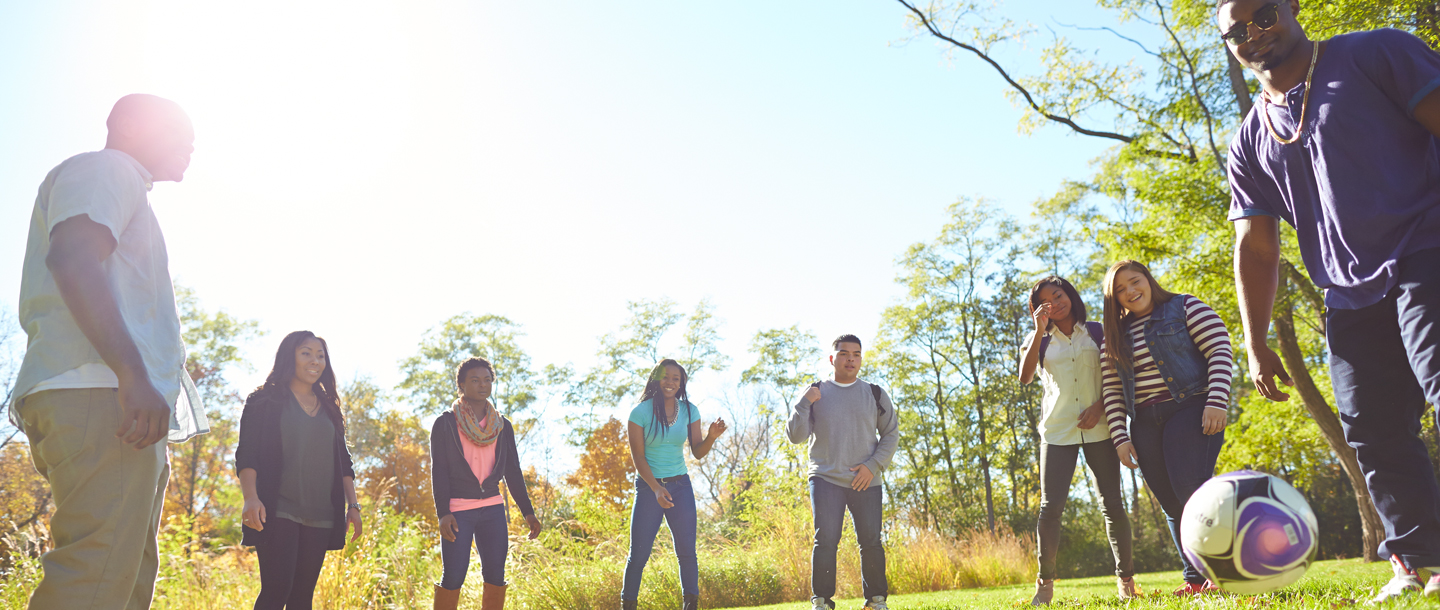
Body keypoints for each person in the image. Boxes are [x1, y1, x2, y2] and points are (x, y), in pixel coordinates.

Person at [1217, 0, 1440, 602]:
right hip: (1346, 292)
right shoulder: (1248, 141)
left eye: (1263, 16)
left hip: (1428, 247)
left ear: (1291, 7)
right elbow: (1257, 249)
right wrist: (1257, 342)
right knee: (1371, 427)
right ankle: (1418, 563)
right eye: (1236, 32)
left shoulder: (1374, 53)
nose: (1253, 34)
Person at [11, 93, 209, 610]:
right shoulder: (106, 170)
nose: (191, 142)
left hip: (109, 394)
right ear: (129, 125)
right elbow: (74, 258)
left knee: (125, 575)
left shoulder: (123, 187)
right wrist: (133, 374)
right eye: (178, 129)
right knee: (95, 576)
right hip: (101, 390)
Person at [1098, 261, 1233, 595]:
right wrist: (1120, 438)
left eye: (1135, 281)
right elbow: (1112, 391)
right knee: (1172, 503)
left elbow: (1219, 348)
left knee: (1190, 487)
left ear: (1148, 279)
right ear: (1114, 298)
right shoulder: (1115, 336)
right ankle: (1196, 580)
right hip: (1144, 421)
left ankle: (1225, 571)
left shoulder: (1184, 306)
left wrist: (1217, 400)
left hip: (1191, 408)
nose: (1130, 292)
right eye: (1120, 290)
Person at [1017, 277, 1136, 604]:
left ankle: (1126, 580)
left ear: (1070, 295)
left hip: (1100, 429)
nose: (1057, 301)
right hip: (1057, 432)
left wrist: (1100, 407)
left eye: (1060, 293)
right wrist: (1039, 330)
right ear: (1040, 308)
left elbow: (1120, 376)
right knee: (1050, 508)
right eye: (1048, 300)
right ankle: (1045, 583)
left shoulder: (1098, 332)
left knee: (1112, 503)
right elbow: (1025, 377)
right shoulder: (1037, 340)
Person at [236, 331, 363, 610]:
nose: (315, 360)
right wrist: (251, 498)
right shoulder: (263, 401)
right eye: (306, 352)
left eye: (320, 355)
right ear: (288, 356)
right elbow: (248, 453)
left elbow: (343, 460)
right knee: (276, 591)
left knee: (302, 598)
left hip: (321, 515)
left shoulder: (330, 408)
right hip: (277, 509)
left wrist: (353, 505)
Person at [787, 335, 899, 610]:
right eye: (844, 353)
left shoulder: (874, 393)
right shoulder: (815, 391)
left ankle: (876, 601)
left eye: (856, 354)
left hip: (866, 480)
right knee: (825, 540)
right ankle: (822, 602)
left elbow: (891, 434)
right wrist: (803, 403)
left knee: (871, 541)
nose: (851, 359)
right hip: (826, 478)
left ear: (860, 359)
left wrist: (872, 467)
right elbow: (795, 436)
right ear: (832, 358)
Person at [430, 357, 542, 610]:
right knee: (453, 577)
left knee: (495, 577)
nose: (483, 385)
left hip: (493, 509)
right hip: (458, 511)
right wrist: (443, 513)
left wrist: (528, 511)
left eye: (487, 380)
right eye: (475, 380)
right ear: (461, 384)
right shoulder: (446, 423)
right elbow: (439, 471)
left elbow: (513, 472)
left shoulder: (502, 426)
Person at [621, 359, 727, 610]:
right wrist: (657, 488)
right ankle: (628, 605)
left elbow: (698, 452)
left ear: (681, 384)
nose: (670, 382)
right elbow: (638, 457)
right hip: (649, 488)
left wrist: (711, 437)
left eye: (676, 379)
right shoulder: (640, 412)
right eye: (666, 377)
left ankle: (690, 605)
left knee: (687, 552)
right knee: (638, 555)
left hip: (681, 486)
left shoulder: (690, 411)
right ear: (656, 379)